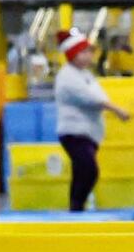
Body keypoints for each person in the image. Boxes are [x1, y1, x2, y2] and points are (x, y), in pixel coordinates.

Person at [51, 31, 124, 212]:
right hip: (74, 132)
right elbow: (90, 98)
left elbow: (98, 95)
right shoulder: (67, 76)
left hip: (89, 132)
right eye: (83, 52)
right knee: (89, 170)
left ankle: (76, 208)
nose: (88, 56)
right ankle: (76, 207)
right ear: (72, 55)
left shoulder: (85, 74)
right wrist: (117, 110)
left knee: (81, 171)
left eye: (89, 52)